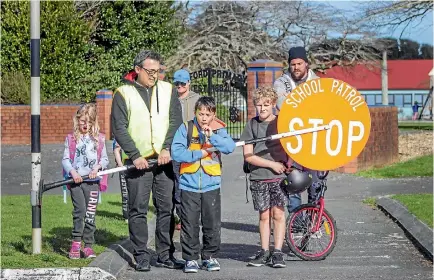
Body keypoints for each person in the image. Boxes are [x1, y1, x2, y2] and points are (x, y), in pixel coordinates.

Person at [111, 50, 183, 272]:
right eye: (150, 71)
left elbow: (175, 121)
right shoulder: (123, 93)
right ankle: (141, 254)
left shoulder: (168, 89)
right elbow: (119, 128)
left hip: (164, 161)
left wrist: (167, 148)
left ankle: (164, 254)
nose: (154, 75)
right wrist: (134, 154)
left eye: (158, 71)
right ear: (138, 70)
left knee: (166, 208)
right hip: (138, 163)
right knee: (138, 209)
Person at [171, 96, 236, 273]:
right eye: (201, 114)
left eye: (208, 114)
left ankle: (209, 256)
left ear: (213, 114)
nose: (204, 118)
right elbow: (176, 153)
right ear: (195, 113)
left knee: (211, 223)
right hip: (188, 184)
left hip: (211, 184)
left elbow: (229, 147)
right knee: (189, 223)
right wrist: (198, 153)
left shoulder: (219, 129)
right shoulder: (185, 128)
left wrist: (212, 137)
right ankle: (191, 258)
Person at [240, 86, 289, 268]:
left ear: (273, 105)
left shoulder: (281, 123)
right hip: (259, 176)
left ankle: (277, 251)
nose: (262, 109)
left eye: (266, 105)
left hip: (278, 177)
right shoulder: (251, 125)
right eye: (259, 105)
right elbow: (248, 155)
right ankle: (264, 250)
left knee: (278, 214)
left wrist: (285, 164)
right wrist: (271, 164)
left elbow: (292, 147)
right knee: (264, 216)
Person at [273, 46, 320, 213]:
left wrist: (292, 99)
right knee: (294, 182)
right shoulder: (282, 82)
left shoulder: (317, 82)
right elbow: (281, 106)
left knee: (316, 184)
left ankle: (313, 221)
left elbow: (322, 107)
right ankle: (296, 224)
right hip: (292, 142)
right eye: (293, 64)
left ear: (306, 64)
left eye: (299, 64)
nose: (296, 67)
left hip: (314, 142)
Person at [62, 103, 109, 259]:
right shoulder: (71, 139)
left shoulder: (99, 139)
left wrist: (97, 168)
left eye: (89, 122)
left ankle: (88, 245)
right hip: (76, 182)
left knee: (90, 213)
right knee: (79, 211)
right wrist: (73, 172)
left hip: (92, 182)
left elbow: (105, 159)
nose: (86, 125)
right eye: (83, 121)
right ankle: (76, 243)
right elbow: (65, 160)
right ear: (77, 120)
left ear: (94, 122)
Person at [172, 69, 201, 230]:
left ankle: (193, 215)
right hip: (176, 148)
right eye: (177, 83)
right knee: (178, 183)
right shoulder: (171, 100)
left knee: (193, 181)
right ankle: (181, 217)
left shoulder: (197, 99)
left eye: (183, 83)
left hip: (194, 147)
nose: (180, 86)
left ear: (189, 83)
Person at [113, 139, 128, 223]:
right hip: (124, 166)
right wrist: (120, 165)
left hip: (138, 165)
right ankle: (126, 215)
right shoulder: (121, 132)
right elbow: (116, 150)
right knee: (125, 192)